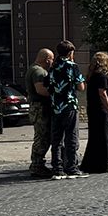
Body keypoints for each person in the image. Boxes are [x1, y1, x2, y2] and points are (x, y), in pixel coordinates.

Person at [45, 40, 86, 178]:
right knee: (71, 137)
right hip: (69, 105)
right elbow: (81, 87)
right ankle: (71, 167)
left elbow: (47, 85)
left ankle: (57, 168)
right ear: (70, 53)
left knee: (56, 139)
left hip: (56, 106)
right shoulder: (72, 66)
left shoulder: (53, 67)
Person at [80, 52, 108, 174]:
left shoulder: (92, 76)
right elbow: (103, 94)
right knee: (102, 136)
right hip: (100, 110)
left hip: (92, 109)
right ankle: (101, 164)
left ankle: (90, 163)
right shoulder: (101, 77)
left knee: (94, 137)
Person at [25, 48, 55, 178]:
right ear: (47, 59)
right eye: (51, 59)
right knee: (42, 137)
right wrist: (56, 92)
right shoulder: (39, 72)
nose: (52, 62)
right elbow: (41, 90)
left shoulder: (34, 69)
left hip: (38, 108)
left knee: (42, 136)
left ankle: (37, 164)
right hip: (40, 108)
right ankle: (37, 165)